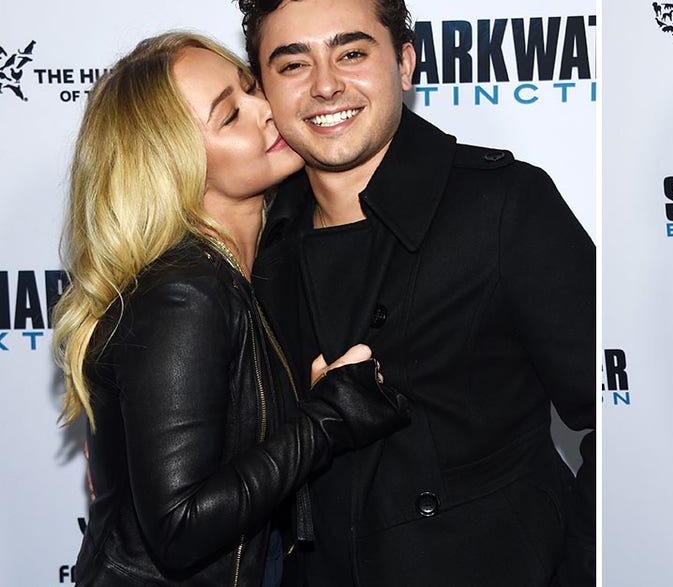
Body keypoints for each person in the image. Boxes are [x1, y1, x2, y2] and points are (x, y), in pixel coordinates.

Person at [237, 0, 596, 586]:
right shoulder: (257, 243)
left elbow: (613, 410)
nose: (325, 85)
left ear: (404, 61)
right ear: (262, 93)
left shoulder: (503, 205)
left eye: (351, 53)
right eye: (293, 64)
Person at [54, 32, 410, 587]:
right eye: (230, 116)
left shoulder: (245, 272)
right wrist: (330, 417)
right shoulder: (184, 295)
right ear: (175, 166)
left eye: (250, 89)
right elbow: (178, 527)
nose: (268, 110)